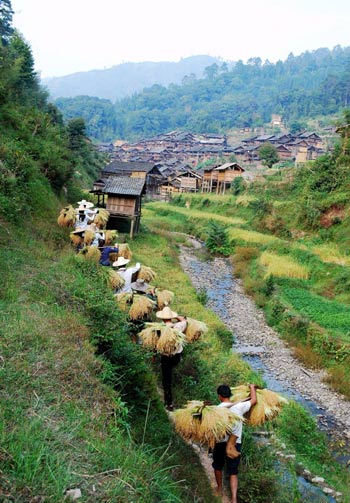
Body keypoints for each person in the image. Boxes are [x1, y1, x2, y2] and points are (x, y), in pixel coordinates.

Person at [213, 383, 257, 503]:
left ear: (219, 396)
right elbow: (253, 400)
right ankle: (233, 499)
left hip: (220, 442)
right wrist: (252, 387)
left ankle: (220, 489)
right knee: (233, 471)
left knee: (217, 465)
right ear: (230, 395)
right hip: (235, 443)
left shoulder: (216, 410)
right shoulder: (239, 407)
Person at [155, 306, 187, 411]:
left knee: (166, 379)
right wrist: (177, 317)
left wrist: (153, 356)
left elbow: (154, 344)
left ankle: (169, 403)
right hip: (176, 357)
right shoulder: (178, 327)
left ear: (162, 318)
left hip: (165, 358)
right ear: (171, 317)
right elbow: (184, 320)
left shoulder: (158, 329)